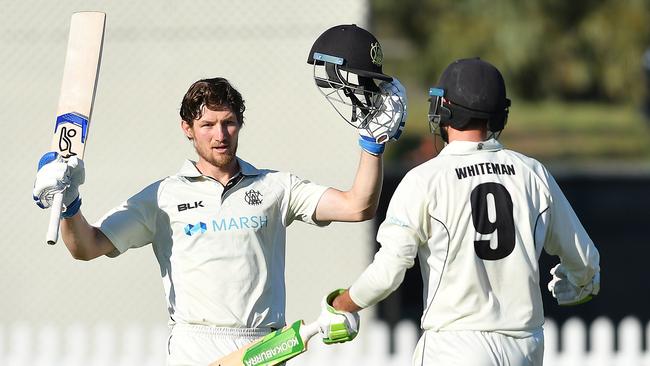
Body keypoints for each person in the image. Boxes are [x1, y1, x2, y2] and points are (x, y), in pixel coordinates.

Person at [32, 24, 407, 365]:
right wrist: (69, 204)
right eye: (207, 124)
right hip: (194, 346)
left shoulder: (276, 187)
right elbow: (86, 247)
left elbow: (358, 206)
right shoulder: (162, 196)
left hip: (264, 347)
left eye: (228, 122)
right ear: (187, 129)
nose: (219, 134)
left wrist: (371, 147)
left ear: (240, 123)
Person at [328, 57, 600, 366]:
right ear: (500, 115)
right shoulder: (533, 173)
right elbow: (586, 262)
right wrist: (579, 283)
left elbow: (388, 273)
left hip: (454, 347)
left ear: (444, 109)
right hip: (524, 348)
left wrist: (342, 303)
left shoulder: (424, 179)